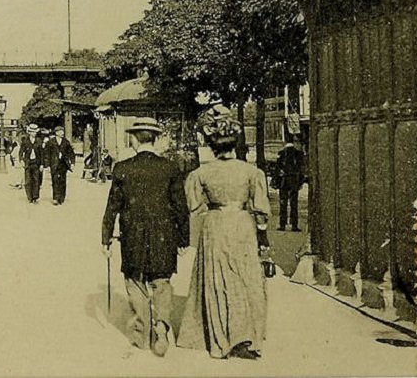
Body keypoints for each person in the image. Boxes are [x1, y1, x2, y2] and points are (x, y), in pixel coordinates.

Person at [177, 104, 270, 360]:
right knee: (245, 279)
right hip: (242, 225)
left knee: (218, 278)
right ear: (235, 143)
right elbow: (261, 213)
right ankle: (246, 335)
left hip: (215, 224)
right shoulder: (253, 172)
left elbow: (193, 206)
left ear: (212, 144)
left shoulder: (200, 173)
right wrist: (263, 240)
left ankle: (220, 338)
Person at [101, 117, 189, 356]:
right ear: (155, 138)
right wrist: (183, 238)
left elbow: (112, 207)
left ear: (133, 138)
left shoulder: (122, 168)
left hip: (132, 234)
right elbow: (180, 205)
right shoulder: (170, 167)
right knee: (161, 281)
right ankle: (161, 328)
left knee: (135, 281)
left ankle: (141, 335)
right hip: (164, 233)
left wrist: (106, 238)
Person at [276, 140, 306, 232]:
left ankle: (282, 224)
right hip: (294, 181)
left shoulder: (281, 154)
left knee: (283, 203)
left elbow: (277, 169)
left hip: (284, 182)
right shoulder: (299, 154)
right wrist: (300, 182)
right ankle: (294, 225)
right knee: (294, 204)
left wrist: (277, 181)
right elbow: (301, 170)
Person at [49, 125, 74, 205]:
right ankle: (55, 198)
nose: (62, 133)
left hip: (63, 164)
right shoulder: (51, 142)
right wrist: (46, 164)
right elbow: (47, 153)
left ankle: (61, 198)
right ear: (56, 133)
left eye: (62, 131)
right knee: (55, 180)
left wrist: (72, 162)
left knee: (63, 181)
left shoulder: (66, 142)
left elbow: (71, 153)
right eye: (60, 131)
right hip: (54, 164)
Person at [19, 124, 43, 203]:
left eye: (35, 132)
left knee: (36, 180)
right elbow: (21, 152)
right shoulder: (25, 141)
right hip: (28, 163)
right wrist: (21, 160)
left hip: (36, 163)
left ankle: (35, 197)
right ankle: (29, 197)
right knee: (28, 181)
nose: (34, 133)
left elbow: (42, 153)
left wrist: (42, 164)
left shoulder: (39, 141)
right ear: (29, 132)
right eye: (32, 132)